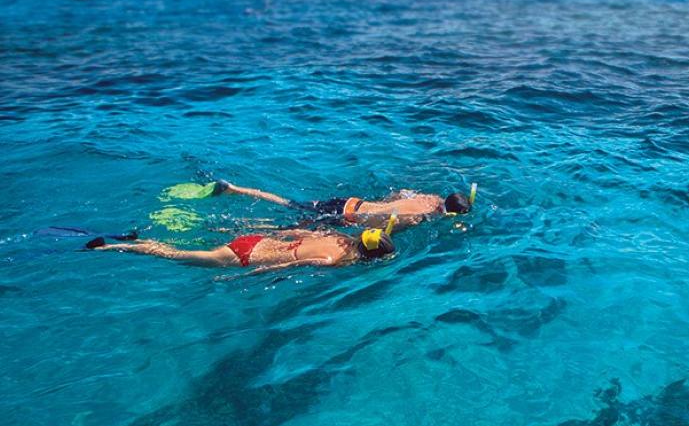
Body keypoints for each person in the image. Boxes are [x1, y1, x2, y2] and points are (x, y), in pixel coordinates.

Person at [86, 225, 394, 274]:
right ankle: (112, 248)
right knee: (176, 255)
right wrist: (253, 274)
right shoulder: (334, 258)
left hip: (257, 240)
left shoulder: (337, 236)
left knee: (184, 248)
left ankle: (134, 239)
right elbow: (287, 267)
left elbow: (298, 232)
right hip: (246, 257)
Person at [212, 180, 473, 228]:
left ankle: (236, 189)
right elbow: (383, 229)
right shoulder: (418, 219)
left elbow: (398, 195)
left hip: (351, 202)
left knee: (291, 203)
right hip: (344, 217)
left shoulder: (428, 197)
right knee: (287, 226)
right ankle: (235, 226)